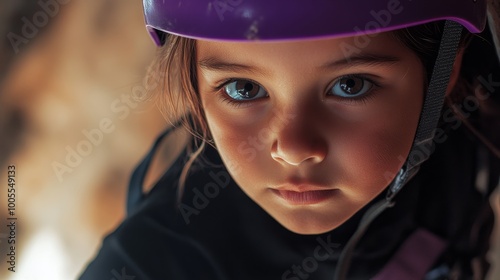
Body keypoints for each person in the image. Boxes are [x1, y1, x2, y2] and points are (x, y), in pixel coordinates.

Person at [80, 0, 500, 279]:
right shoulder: (145, 267)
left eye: (350, 85)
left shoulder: (479, 112)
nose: (294, 149)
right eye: (243, 89)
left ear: (448, 70)